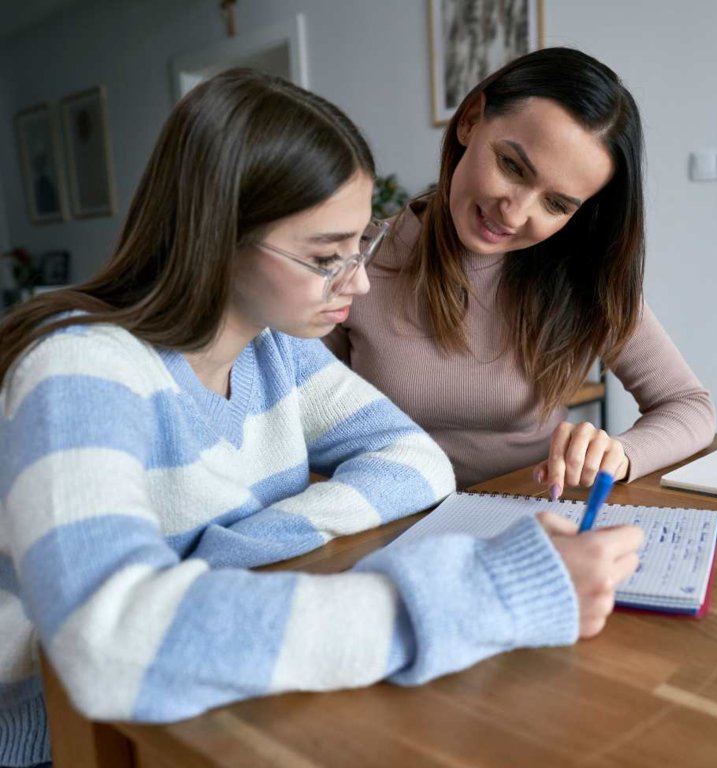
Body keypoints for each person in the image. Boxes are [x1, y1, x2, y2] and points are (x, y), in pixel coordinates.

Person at [0, 69, 642, 768]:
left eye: (359, 246)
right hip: (68, 740)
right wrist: (487, 592)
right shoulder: (77, 369)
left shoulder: (278, 348)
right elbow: (106, 649)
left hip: (204, 702)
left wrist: (222, 557)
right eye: (324, 256)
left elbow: (417, 462)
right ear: (218, 236)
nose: (358, 280)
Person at [325, 47, 716, 492]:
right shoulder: (358, 260)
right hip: (391, 515)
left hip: (531, 513)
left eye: (556, 204)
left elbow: (688, 405)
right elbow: (295, 417)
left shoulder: (581, 276)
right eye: (511, 166)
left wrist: (621, 453)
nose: (513, 214)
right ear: (471, 120)